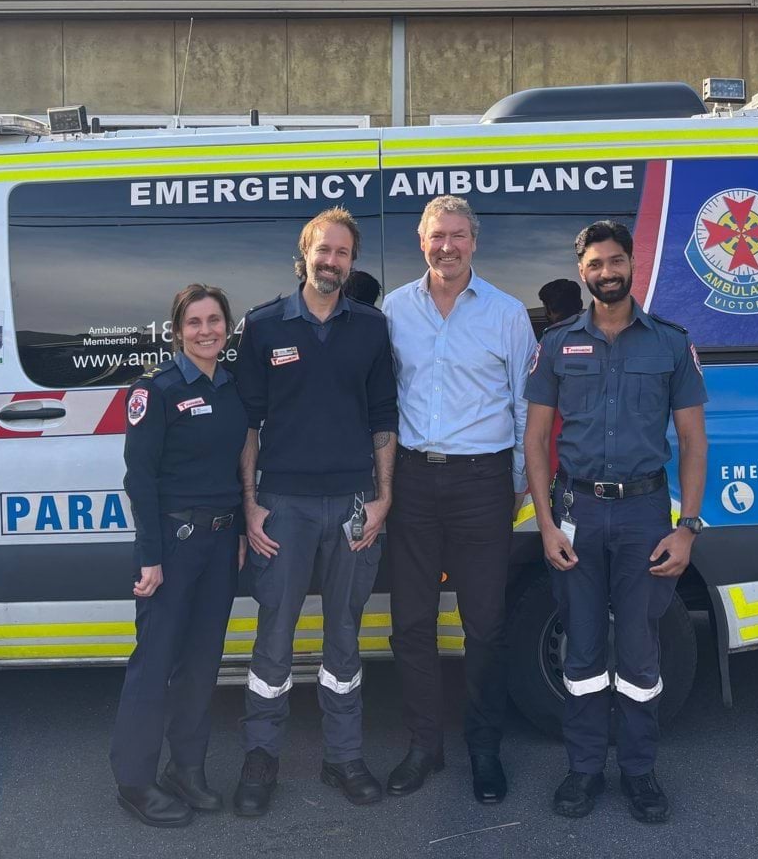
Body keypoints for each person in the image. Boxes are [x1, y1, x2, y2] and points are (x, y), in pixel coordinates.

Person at [523, 220, 708, 824]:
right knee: (580, 648)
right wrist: (546, 524)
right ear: (583, 272)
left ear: (632, 264)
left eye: (616, 261)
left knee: (639, 650)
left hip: (644, 515)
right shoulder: (557, 344)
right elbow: (535, 440)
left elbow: (693, 440)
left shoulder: (670, 344)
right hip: (576, 511)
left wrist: (688, 527)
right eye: (596, 264)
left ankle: (638, 771)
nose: (607, 272)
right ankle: (583, 770)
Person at [232, 207, 399, 816]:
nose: (332, 261)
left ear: (352, 262)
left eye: (342, 253)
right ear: (303, 255)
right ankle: (261, 756)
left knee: (344, 637)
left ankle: (343, 756)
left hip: (354, 502)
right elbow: (247, 424)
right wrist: (250, 504)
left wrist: (383, 498)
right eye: (322, 250)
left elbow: (383, 418)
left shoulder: (371, 328)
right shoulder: (264, 325)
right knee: (274, 635)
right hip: (283, 506)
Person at [380, 195, 535, 804]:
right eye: (437, 235)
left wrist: (517, 481)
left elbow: (524, 405)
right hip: (413, 481)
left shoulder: (507, 314)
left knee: (486, 625)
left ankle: (484, 749)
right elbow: (383, 400)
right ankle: (424, 745)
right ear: (421, 241)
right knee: (411, 623)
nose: (447, 246)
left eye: (458, 235)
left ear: (475, 241)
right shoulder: (395, 309)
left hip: (481, 482)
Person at [109, 283, 248, 829]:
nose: (206, 330)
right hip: (174, 542)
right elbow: (139, 478)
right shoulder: (156, 389)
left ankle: (185, 769)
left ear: (227, 327)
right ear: (177, 331)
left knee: (202, 663)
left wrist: (239, 532)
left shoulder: (232, 386)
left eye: (214, 320)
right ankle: (135, 781)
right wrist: (150, 556)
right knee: (155, 663)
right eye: (194, 322)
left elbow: (235, 468)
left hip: (221, 543)